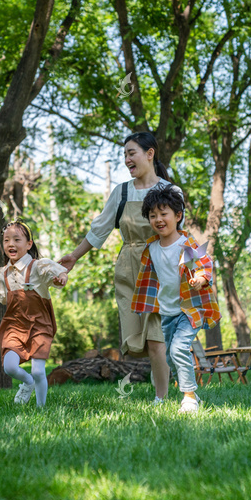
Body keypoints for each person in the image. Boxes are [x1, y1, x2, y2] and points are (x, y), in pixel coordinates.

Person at [57, 132, 183, 403]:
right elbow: (99, 230)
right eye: (124, 154)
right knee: (136, 343)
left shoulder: (171, 192)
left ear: (150, 154)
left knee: (155, 339)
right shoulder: (122, 192)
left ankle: (161, 398)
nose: (127, 159)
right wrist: (74, 257)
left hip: (157, 267)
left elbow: (177, 235)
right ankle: (169, 373)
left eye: (132, 153)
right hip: (127, 269)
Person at [132, 185, 220, 413]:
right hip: (167, 312)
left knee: (179, 349)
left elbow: (204, 264)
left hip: (189, 309)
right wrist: (143, 303)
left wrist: (201, 278)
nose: (158, 220)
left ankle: (189, 397)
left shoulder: (186, 244)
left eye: (164, 214)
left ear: (178, 216)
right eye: (153, 216)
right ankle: (191, 394)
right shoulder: (151, 247)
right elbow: (148, 279)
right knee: (171, 357)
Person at [0, 220, 68, 407]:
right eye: (6, 240)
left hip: (39, 325)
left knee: (38, 372)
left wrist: (61, 279)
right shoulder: (3, 274)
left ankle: (41, 410)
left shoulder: (38, 266)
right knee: (9, 367)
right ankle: (27, 383)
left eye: (16, 239)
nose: (10, 244)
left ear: (29, 244)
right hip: (14, 325)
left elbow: (61, 272)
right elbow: (1, 297)